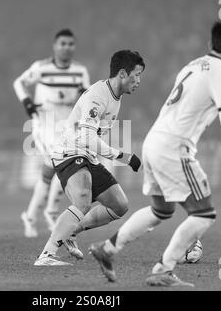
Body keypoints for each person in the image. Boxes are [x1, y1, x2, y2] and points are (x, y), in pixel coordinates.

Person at [89, 20, 221, 287]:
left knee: (161, 210)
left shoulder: (191, 67)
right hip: (174, 148)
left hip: (153, 142)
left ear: (209, 45)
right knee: (204, 214)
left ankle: (108, 250)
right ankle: (162, 269)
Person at [34, 50, 145, 266]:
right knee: (83, 200)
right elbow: (86, 137)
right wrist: (121, 156)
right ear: (123, 73)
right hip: (69, 151)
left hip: (87, 155)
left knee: (119, 205)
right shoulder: (98, 95)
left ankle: (71, 231)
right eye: (137, 74)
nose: (139, 81)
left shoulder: (116, 97)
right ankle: (47, 255)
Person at [13, 29, 90, 238]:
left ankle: (31, 216)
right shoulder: (41, 67)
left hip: (66, 125)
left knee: (49, 173)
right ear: (55, 46)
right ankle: (50, 212)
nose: (67, 47)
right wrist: (27, 102)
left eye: (70, 44)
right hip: (44, 124)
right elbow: (18, 83)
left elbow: (86, 96)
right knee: (61, 163)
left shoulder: (80, 71)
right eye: (63, 43)